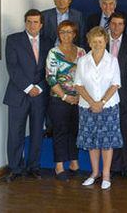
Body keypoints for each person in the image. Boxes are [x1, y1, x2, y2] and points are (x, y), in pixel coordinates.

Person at [3, 9, 52, 182]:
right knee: (15, 133)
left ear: (41, 24)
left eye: (36, 22)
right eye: (29, 21)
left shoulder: (48, 42)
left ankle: (34, 167)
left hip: (39, 94)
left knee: (37, 132)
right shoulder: (13, 40)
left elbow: (50, 69)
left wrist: (39, 87)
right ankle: (15, 168)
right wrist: (28, 87)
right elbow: (12, 67)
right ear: (25, 22)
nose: (32, 25)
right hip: (18, 94)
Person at [75, 27, 123, 190]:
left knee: (107, 141)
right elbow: (78, 85)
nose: (97, 44)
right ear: (89, 42)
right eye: (94, 41)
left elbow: (115, 84)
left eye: (100, 41)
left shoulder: (113, 60)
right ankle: (94, 173)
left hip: (108, 106)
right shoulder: (82, 61)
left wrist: (101, 102)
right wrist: (92, 102)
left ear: (106, 42)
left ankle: (106, 174)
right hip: (86, 106)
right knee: (92, 141)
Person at [45, 20, 86, 181]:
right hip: (59, 99)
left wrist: (80, 96)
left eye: (69, 32)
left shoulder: (82, 52)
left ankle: (74, 162)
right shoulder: (53, 53)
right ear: (58, 34)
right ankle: (59, 165)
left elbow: (86, 76)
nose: (66, 35)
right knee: (60, 131)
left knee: (75, 130)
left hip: (79, 99)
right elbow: (50, 78)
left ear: (74, 34)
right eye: (63, 32)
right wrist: (65, 96)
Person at [108, 13, 127, 179]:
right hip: (105, 95)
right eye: (113, 23)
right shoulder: (100, 41)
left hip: (125, 92)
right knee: (111, 131)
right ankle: (113, 166)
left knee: (126, 131)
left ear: (124, 26)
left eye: (120, 24)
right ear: (109, 24)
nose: (116, 27)